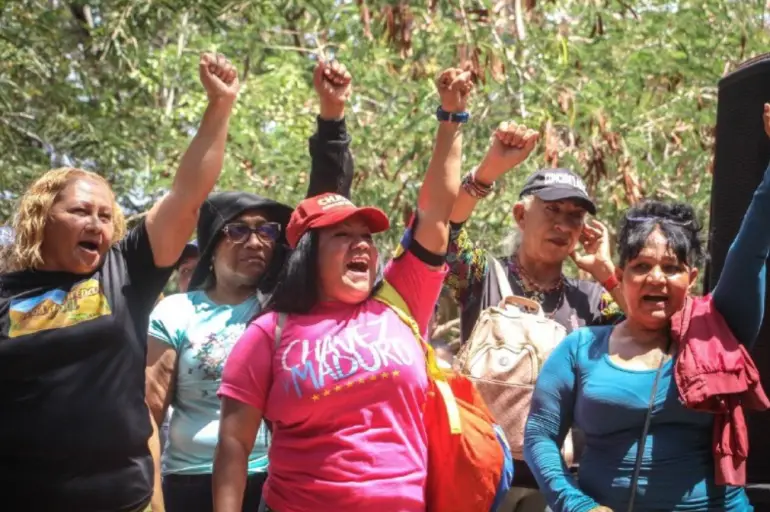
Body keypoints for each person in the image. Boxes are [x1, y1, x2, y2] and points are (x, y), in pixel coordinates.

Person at [213, 67, 474, 512]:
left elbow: (436, 214)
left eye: (366, 237)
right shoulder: (269, 333)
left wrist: (451, 116)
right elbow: (234, 445)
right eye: (341, 236)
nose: (361, 245)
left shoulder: (400, 301)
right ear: (306, 255)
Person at [0, 53, 239, 512]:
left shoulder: (124, 270)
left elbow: (188, 197)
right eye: (80, 212)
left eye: (106, 216)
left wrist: (219, 106)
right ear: (41, 218)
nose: (97, 223)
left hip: (122, 498)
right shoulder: (7, 292)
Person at [522, 104, 770, 512]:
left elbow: (751, 249)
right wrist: (576, 505)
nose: (656, 277)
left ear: (690, 279)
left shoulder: (719, 332)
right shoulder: (581, 348)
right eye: (641, 266)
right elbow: (540, 436)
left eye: (671, 267)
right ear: (620, 276)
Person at [145, 60, 355, 512]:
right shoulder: (176, 311)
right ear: (211, 245)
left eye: (268, 231)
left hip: (277, 481)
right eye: (238, 230)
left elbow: (325, 204)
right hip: (188, 485)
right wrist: (153, 499)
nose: (256, 240)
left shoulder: (284, 305)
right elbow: (149, 409)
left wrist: (331, 116)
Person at [445, 121, 625, 511]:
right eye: (552, 210)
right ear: (521, 216)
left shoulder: (593, 300)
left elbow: (652, 330)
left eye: (576, 216)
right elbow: (443, 231)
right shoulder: (483, 276)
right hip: (480, 474)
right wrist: (489, 170)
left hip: (559, 484)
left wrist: (607, 272)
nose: (563, 224)